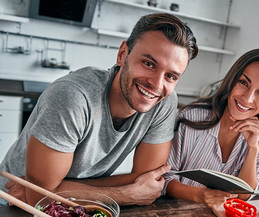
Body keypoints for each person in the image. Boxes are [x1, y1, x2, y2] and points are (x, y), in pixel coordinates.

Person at [0, 13, 198, 206]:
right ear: (122, 54)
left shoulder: (164, 101)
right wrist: (125, 194)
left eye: (171, 76)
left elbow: (146, 181)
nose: (156, 84)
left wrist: (57, 191)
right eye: (148, 64)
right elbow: (40, 199)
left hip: (79, 209)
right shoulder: (72, 96)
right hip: (11, 205)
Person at [163, 48, 259, 208]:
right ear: (232, 80)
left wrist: (252, 148)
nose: (248, 98)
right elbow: (165, 178)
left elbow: (244, 195)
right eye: (243, 83)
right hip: (173, 215)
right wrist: (199, 195)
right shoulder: (191, 117)